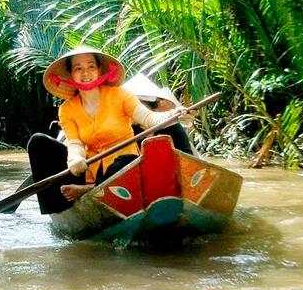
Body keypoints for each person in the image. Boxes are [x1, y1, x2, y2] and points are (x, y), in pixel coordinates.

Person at [27, 47, 192, 215]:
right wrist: (75, 159)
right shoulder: (67, 109)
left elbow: (149, 118)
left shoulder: (121, 95)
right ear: (70, 74)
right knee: (38, 141)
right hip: (90, 169)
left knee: (127, 161)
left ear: (99, 70)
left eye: (91, 66)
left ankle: (90, 189)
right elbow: (74, 142)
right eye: (78, 68)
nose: (85, 73)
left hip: (124, 169)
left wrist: (174, 115)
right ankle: (59, 210)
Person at [122, 73, 196, 156]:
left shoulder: (171, 125)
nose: (131, 110)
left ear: (152, 105)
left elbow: (186, 154)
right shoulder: (127, 131)